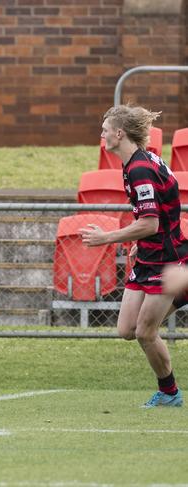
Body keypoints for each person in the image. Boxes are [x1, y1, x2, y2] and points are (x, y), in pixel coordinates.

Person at [79, 105, 186, 408]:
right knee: (127, 329)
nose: (102, 134)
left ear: (119, 133)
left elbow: (151, 221)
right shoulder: (134, 164)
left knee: (145, 332)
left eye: (105, 129)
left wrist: (107, 238)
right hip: (150, 255)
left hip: (167, 258)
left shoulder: (139, 167)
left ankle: (169, 393)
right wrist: (141, 240)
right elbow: (159, 213)